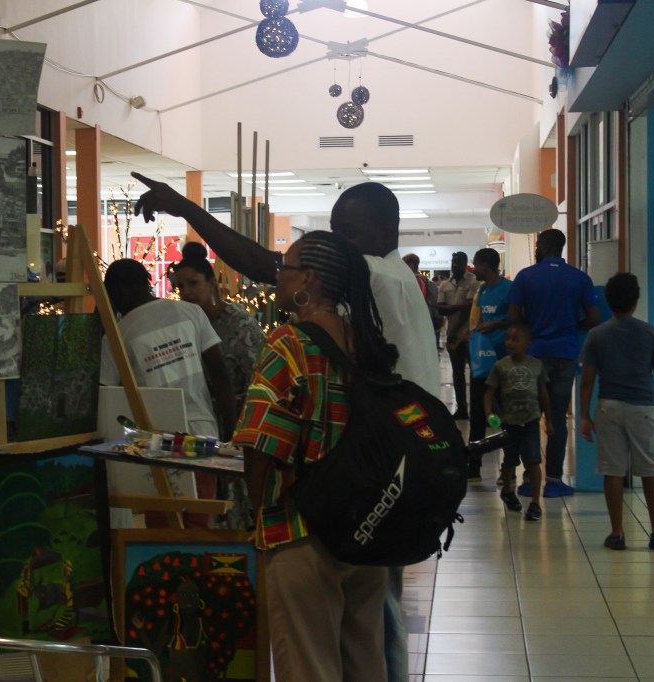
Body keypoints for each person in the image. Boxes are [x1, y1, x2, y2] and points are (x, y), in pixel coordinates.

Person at [132, 172, 435, 682]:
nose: (336, 245)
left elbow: (263, 443)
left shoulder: (352, 293)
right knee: (369, 637)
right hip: (380, 481)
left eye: (348, 233)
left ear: (387, 232)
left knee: (323, 648)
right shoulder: (375, 304)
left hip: (338, 503)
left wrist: (186, 208)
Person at [233, 230, 397, 681]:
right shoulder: (364, 344)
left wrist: (258, 511)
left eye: (284, 269)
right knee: (365, 662)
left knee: (308, 666)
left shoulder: (288, 344)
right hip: (367, 528)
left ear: (307, 279)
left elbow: (263, 442)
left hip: (302, 531)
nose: (277, 278)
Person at [100, 258, 236, 527]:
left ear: (117, 293)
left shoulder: (116, 336)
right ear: (147, 282)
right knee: (200, 522)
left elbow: (108, 398)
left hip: (156, 442)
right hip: (202, 433)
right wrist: (232, 434)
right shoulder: (191, 313)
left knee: (163, 527)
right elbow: (220, 375)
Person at [579, 272, 654, 551]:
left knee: (612, 471)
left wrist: (585, 416)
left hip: (608, 407)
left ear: (608, 301)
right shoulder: (649, 332)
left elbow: (587, 379)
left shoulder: (596, 334)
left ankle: (617, 534)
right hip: (643, 408)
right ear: (636, 300)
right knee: (650, 469)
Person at [171, 241, 265, 530]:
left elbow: (259, 381)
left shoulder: (240, 325)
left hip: (239, 423)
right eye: (181, 286)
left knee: (242, 504)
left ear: (212, 283)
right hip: (201, 424)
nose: (187, 292)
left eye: (194, 283)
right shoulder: (184, 326)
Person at [508, 228, 600, 498]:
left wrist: (531, 331)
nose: (536, 248)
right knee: (557, 418)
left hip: (534, 355)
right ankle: (554, 480)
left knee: (530, 417)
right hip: (565, 354)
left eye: (538, 245)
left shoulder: (526, 276)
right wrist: (571, 327)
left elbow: (513, 317)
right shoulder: (579, 278)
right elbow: (594, 319)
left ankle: (529, 480)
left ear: (544, 246)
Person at [485, 322, 553, 520]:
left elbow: (544, 394)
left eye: (515, 339)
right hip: (509, 421)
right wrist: (489, 413)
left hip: (531, 419)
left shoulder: (537, 365)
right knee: (510, 459)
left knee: (533, 460)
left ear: (527, 344)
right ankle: (507, 490)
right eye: (508, 338)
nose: (509, 342)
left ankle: (535, 502)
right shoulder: (500, 366)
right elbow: (489, 393)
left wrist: (549, 420)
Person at [466, 248, 513, 478]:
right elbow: (483, 318)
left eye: (476, 264)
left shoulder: (509, 289)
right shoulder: (483, 290)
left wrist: (497, 326)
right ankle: (473, 465)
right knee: (477, 415)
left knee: (507, 416)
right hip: (483, 363)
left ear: (486, 265)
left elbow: (518, 319)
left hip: (504, 361)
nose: (474, 269)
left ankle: (509, 468)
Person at [436, 251, 479, 419]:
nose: (454, 265)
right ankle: (462, 409)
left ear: (465, 263)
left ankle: (477, 410)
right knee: (457, 373)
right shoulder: (446, 284)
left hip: (470, 335)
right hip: (453, 336)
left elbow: (469, 309)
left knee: (476, 373)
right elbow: (440, 309)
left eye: (458, 262)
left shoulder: (473, 282)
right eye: (453, 262)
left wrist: (453, 310)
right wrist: (461, 307)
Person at [402, 252, 442, 349]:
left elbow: (413, 303)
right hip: (430, 320)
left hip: (419, 322)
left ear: (411, 264)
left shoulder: (414, 280)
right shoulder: (428, 281)